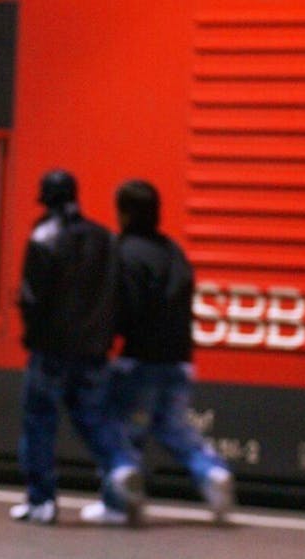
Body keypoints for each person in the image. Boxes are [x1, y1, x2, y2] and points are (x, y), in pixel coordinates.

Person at [83, 179, 235, 524]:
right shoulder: (173, 251)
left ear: (123, 211)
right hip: (179, 361)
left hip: (140, 360)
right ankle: (211, 472)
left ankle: (118, 503)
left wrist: (104, 341)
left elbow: (123, 308)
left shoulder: (123, 251)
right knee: (174, 428)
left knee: (120, 430)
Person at [10, 169, 142, 525]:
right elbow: (120, 294)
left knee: (39, 422)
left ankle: (42, 502)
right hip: (93, 351)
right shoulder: (105, 238)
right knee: (97, 419)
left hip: (50, 351)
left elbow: (32, 298)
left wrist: (31, 335)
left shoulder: (43, 237)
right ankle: (120, 465)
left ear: (46, 199)